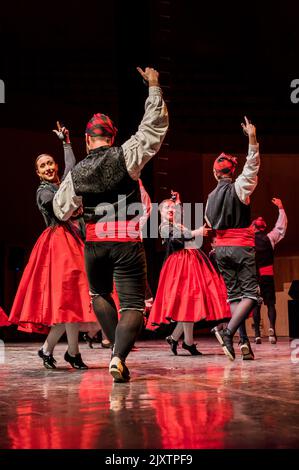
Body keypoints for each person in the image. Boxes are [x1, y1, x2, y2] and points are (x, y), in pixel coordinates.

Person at [53, 67, 169, 382]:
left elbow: (61, 209)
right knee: (134, 305)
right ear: (112, 136)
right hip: (127, 242)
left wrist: (79, 207)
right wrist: (154, 87)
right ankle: (118, 356)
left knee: (99, 294)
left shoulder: (77, 173)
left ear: (87, 139)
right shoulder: (125, 155)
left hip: (95, 244)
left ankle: (113, 352)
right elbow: (153, 129)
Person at [9, 123, 95, 369]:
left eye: (50, 163)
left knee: (73, 301)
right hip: (57, 246)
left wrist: (66, 143)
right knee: (68, 300)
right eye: (42, 166)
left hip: (73, 242)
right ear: (38, 172)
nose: (48, 168)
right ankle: (70, 353)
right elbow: (57, 203)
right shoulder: (43, 192)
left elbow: (70, 170)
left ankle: (56, 350)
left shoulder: (61, 182)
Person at [147, 191, 231, 355]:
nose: (170, 211)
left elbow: (179, 221)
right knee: (187, 302)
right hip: (179, 265)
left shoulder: (177, 223)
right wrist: (196, 232)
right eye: (166, 209)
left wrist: (178, 203)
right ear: (161, 213)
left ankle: (175, 338)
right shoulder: (163, 227)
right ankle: (188, 342)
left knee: (190, 303)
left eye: (172, 209)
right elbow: (177, 238)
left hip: (191, 262)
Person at [205, 116, 261, 361]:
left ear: (215, 174)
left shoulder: (209, 198)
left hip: (221, 250)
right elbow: (252, 166)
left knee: (235, 296)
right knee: (251, 295)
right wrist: (252, 138)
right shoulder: (239, 187)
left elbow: (209, 223)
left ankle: (244, 343)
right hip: (240, 247)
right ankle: (227, 332)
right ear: (232, 172)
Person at [251, 198, 287, 344]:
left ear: (253, 227)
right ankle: (272, 329)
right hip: (267, 275)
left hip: (254, 277)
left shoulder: (248, 240)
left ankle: (258, 334)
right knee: (270, 304)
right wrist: (281, 208)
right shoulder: (270, 238)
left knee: (255, 305)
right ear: (264, 227)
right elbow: (280, 228)